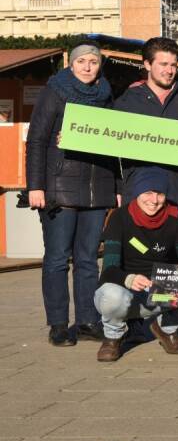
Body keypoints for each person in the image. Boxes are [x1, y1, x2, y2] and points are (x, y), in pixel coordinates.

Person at [26, 42, 119, 346]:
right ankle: (57, 324)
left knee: (88, 258)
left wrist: (117, 188)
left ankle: (88, 321)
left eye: (93, 61)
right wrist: (35, 186)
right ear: (71, 63)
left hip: (97, 187)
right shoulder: (55, 91)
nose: (88, 66)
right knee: (56, 259)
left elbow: (118, 141)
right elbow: (37, 140)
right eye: (82, 61)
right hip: (59, 188)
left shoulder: (106, 94)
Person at [93, 168, 178, 362]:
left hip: (159, 289)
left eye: (160, 194)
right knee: (112, 296)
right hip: (125, 289)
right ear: (137, 193)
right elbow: (108, 271)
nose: (154, 200)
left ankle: (166, 328)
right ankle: (113, 337)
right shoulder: (119, 217)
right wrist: (129, 279)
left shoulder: (175, 219)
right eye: (148, 193)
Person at [113, 37, 178, 243]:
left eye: (173, 65)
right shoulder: (126, 103)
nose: (170, 70)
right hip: (139, 200)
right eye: (163, 64)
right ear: (147, 64)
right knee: (141, 265)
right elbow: (112, 149)